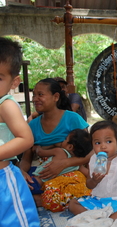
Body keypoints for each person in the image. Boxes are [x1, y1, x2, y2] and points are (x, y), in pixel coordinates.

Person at [19, 77, 92, 212]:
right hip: (42, 173)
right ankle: (41, 197)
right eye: (34, 95)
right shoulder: (32, 125)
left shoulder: (72, 118)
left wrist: (64, 164)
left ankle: (41, 199)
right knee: (18, 183)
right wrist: (22, 172)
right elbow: (26, 159)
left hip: (69, 172)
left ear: (56, 97)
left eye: (40, 94)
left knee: (77, 183)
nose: (35, 99)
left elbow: (91, 152)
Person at [0, 37, 40, 226]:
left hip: (3, 181)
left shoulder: (6, 105)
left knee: (14, 221)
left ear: (14, 82)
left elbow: (26, 139)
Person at [28, 129, 92, 193]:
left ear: (70, 147)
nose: (63, 141)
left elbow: (40, 153)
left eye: (65, 139)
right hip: (43, 188)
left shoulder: (59, 151)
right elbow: (89, 174)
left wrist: (36, 148)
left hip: (34, 181)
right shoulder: (77, 165)